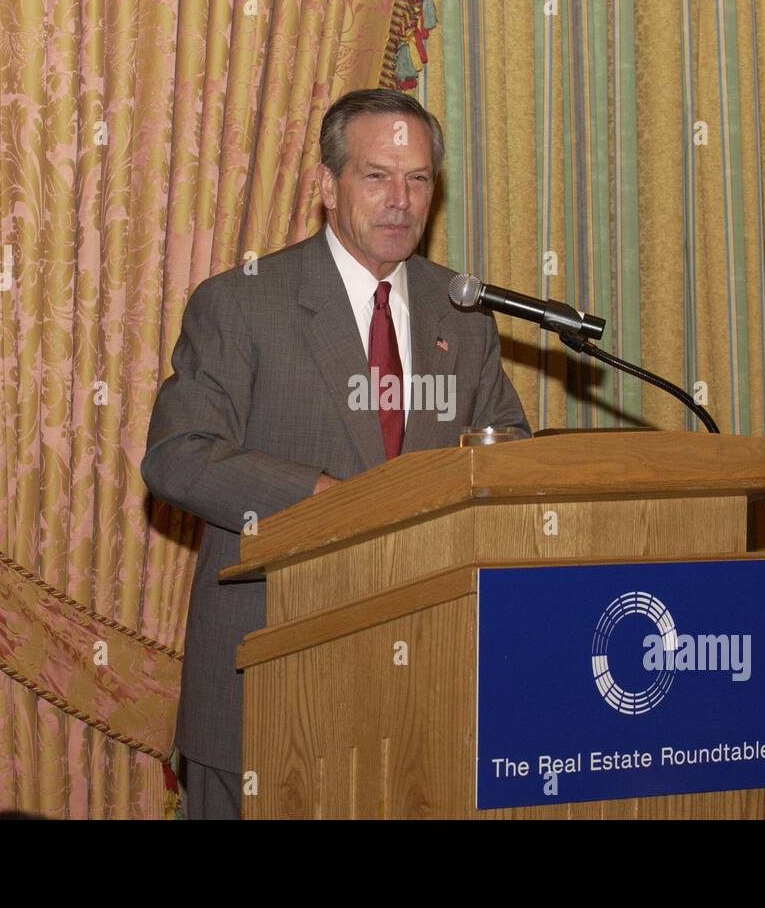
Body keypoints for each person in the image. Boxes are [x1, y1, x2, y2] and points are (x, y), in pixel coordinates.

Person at [141, 88, 530, 819]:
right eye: (376, 175)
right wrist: (324, 500)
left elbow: (505, 451)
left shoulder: (461, 312)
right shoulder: (243, 302)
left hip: (424, 681)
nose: (400, 201)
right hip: (272, 675)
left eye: (418, 180)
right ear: (327, 186)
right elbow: (177, 455)